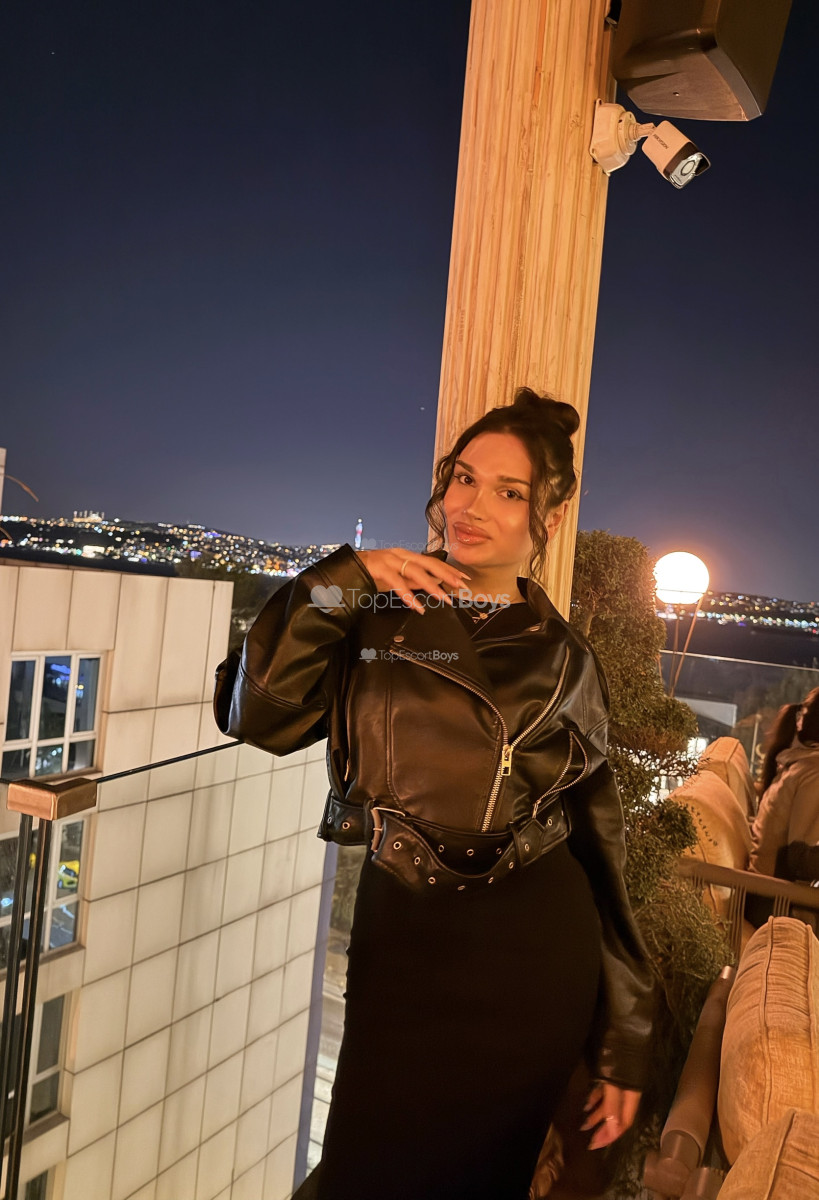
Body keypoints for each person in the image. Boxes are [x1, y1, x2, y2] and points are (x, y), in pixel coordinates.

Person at [214, 387, 654, 1200]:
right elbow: (256, 714)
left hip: (529, 955)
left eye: (508, 491)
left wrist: (625, 1036)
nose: (471, 505)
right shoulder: (368, 614)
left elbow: (601, 844)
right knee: (365, 1168)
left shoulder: (566, 659)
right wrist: (344, 579)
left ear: (548, 517)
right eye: (462, 478)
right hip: (404, 939)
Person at [749, 688, 819, 883]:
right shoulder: (813, 773)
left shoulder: (800, 765)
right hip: (773, 894)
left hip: (764, 886)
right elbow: (799, 858)